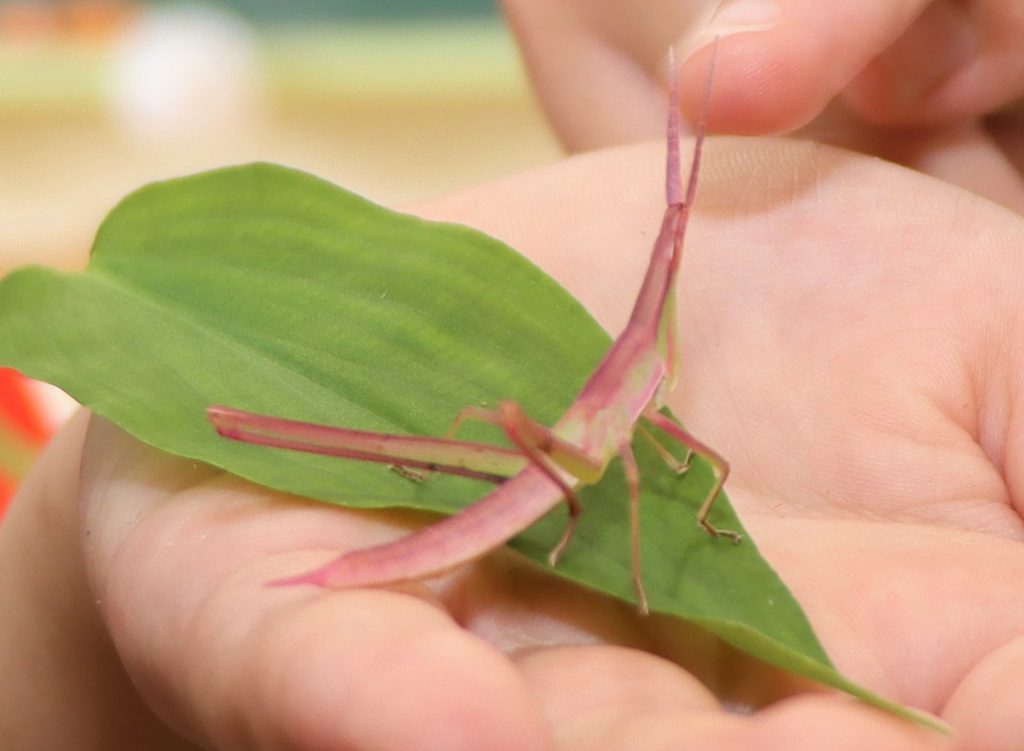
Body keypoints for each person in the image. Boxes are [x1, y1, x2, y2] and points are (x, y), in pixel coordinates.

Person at [2, 3, 1022, 749]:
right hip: (537, 463)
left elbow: (678, 447)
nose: (672, 250)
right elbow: (636, 464)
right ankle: (248, 430)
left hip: (550, 462)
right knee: (504, 436)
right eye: (668, 246)